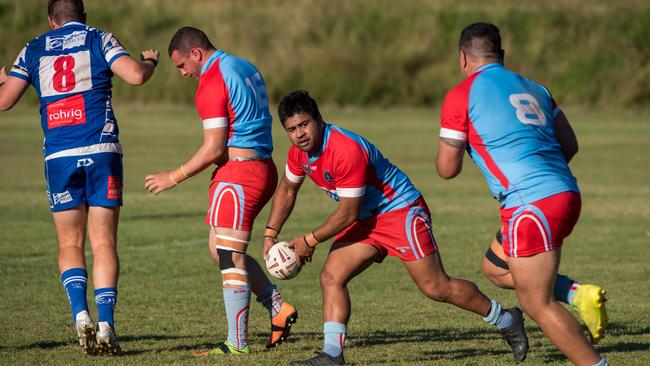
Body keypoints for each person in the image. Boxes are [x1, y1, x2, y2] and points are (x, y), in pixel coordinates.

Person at [265, 90, 529, 365]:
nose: (300, 134)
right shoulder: (300, 153)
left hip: (399, 212)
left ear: (319, 119)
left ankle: (507, 319)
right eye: (292, 129)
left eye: (304, 124)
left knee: (436, 287)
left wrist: (309, 240)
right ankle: (332, 355)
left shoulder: (344, 149)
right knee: (331, 277)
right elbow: (287, 189)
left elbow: (347, 212)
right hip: (366, 219)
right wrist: (271, 233)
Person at [436, 22, 609, 365]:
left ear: (462, 58)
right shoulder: (536, 87)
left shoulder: (462, 94)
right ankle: (577, 293)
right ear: (501, 56)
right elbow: (570, 144)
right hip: (565, 193)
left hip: (530, 207)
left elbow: (447, 169)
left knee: (536, 303)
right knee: (496, 267)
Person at [0, 0, 159, 356]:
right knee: (103, 243)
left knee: (70, 244)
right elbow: (136, 75)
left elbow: (4, 101)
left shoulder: (34, 47)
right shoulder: (99, 38)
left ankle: (80, 314)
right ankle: (105, 325)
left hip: (59, 156)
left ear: (50, 21)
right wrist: (151, 60)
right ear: (82, 18)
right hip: (102, 150)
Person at [144, 26, 297, 356]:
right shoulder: (243, 65)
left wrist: (173, 176)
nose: (184, 73)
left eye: (182, 65)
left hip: (240, 175)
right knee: (219, 249)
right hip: (260, 167)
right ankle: (277, 307)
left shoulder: (211, 80)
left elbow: (214, 147)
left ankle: (236, 344)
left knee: (229, 257)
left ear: (196, 54)